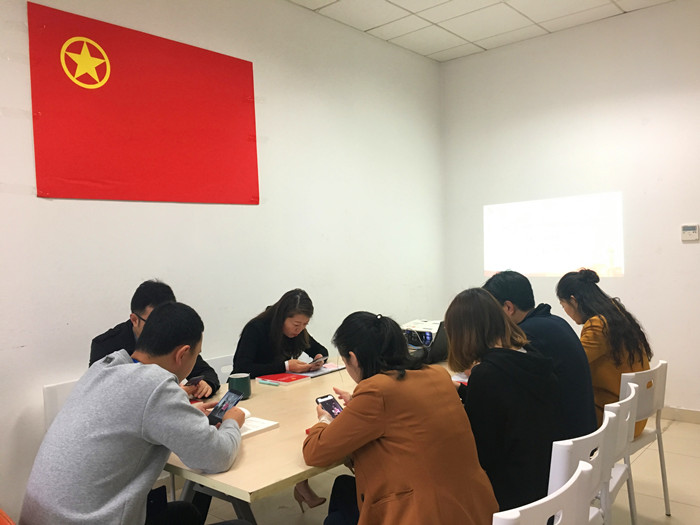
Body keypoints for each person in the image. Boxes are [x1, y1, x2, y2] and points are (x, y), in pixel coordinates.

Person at [21, 302, 249, 525]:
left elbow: (132, 413)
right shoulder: (156, 386)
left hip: (44, 517)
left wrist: (183, 412)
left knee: (184, 513)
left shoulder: (105, 366)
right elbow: (217, 457)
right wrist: (231, 422)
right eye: (197, 354)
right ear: (182, 354)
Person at [303, 311, 498, 525]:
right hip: (474, 509)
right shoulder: (437, 374)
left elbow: (315, 453)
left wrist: (324, 420)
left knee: (337, 517)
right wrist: (359, 406)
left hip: (423, 514)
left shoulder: (376, 391)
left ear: (354, 358)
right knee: (343, 488)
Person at [444, 288, 561, 512]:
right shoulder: (530, 354)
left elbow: (482, 454)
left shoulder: (487, 374)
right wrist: (464, 391)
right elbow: (511, 402)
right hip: (543, 477)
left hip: (510, 495)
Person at [232, 288, 329, 509]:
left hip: (282, 394)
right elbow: (242, 368)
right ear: (282, 316)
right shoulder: (256, 328)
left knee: (298, 428)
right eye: (296, 324)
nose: (299, 329)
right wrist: (285, 366)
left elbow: (319, 348)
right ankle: (299, 484)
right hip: (257, 398)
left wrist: (318, 358)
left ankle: (301, 482)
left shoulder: (298, 331)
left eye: (304, 325)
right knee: (288, 431)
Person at [483, 270, 597, 439]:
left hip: (563, 440)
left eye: (492, 311)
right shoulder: (554, 321)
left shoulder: (525, 336)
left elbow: (503, 387)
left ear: (508, 307)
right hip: (583, 431)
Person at [556, 268, 652, 437]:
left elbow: (574, 364)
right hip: (635, 414)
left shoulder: (597, 325)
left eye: (563, 305)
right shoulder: (615, 313)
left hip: (616, 418)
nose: (565, 311)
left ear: (573, 301)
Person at [90, 279, 220, 398]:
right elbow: (100, 395)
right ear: (134, 320)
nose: (162, 328)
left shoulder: (175, 336)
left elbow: (204, 371)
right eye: (154, 321)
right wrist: (168, 394)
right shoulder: (105, 345)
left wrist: (206, 383)